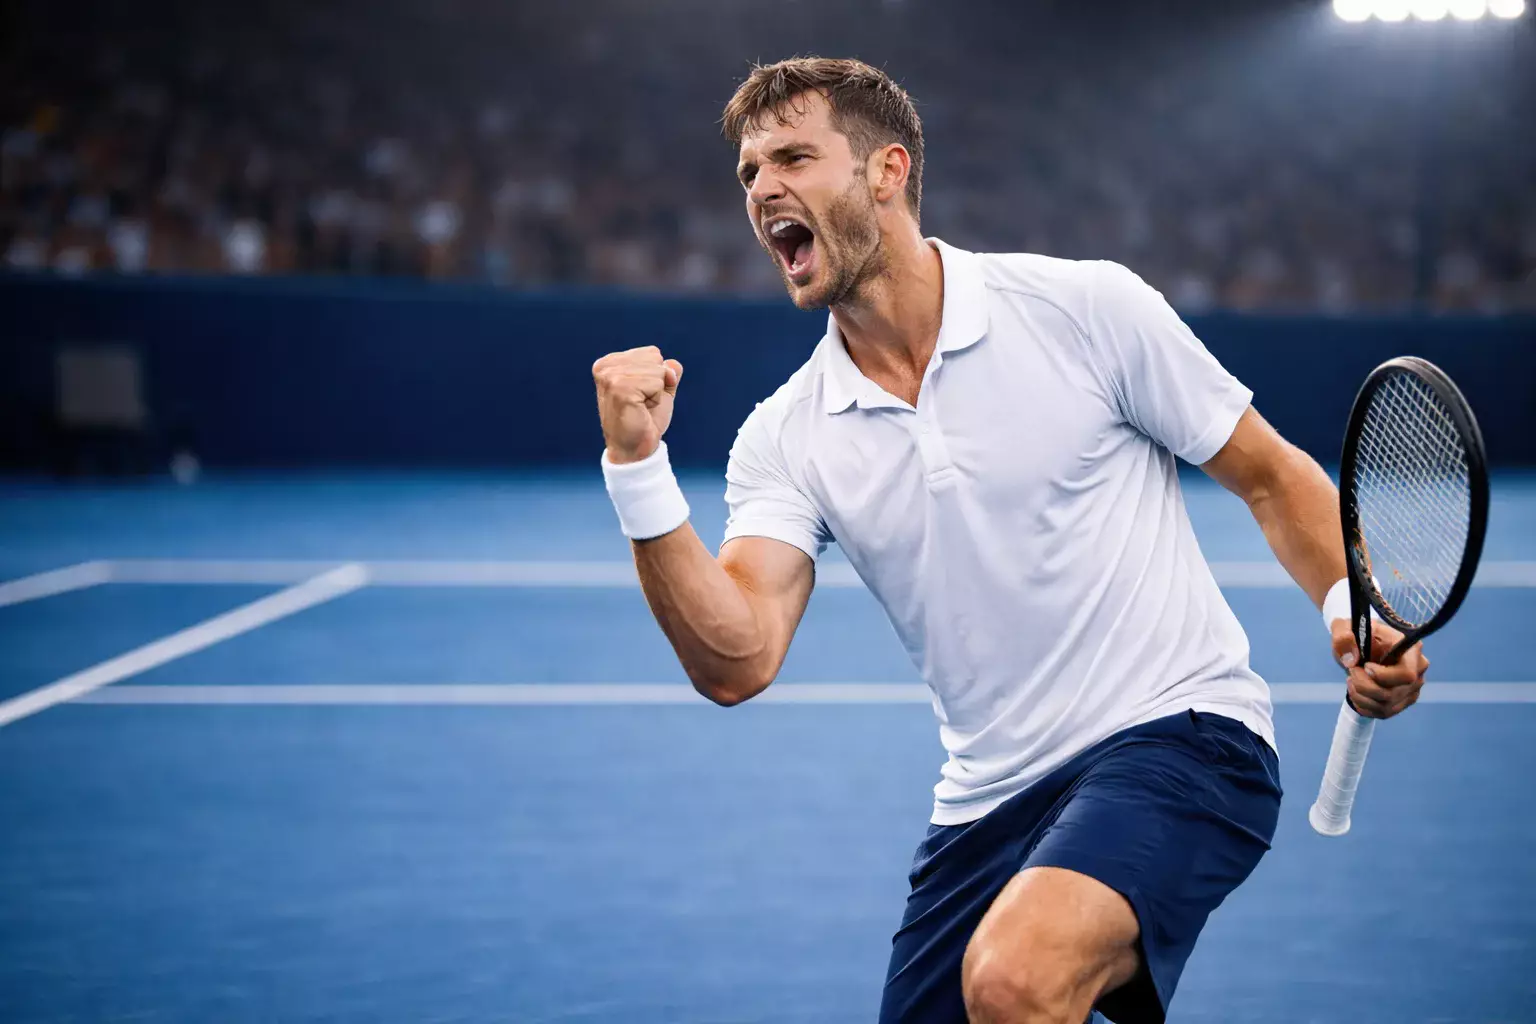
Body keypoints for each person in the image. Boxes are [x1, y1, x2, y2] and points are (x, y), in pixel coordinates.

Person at [590, 58, 1429, 1024]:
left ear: (886, 171)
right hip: (986, 807)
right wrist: (637, 472)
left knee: (1017, 980)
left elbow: (1273, 477)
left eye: (792, 157)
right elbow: (736, 658)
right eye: (748, 173)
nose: (762, 188)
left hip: (1180, 737)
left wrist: (1347, 604)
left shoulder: (1084, 309)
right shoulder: (786, 435)